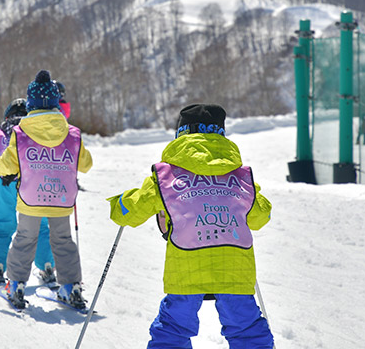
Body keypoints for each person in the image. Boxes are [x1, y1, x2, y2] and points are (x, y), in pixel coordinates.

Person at [107, 104, 274, 348]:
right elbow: (261, 216)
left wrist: (120, 203)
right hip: (235, 270)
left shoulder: (167, 176)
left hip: (186, 269)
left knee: (173, 329)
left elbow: (129, 212)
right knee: (247, 329)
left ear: (181, 134)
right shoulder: (239, 177)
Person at [0, 70, 93, 310]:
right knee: (63, 241)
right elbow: (86, 165)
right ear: (57, 102)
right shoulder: (72, 133)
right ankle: (70, 287)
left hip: (30, 198)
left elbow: (7, 165)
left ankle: (15, 284)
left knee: (25, 239)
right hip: (62, 199)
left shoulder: (21, 132)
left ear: (31, 103)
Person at [0, 98, 56, 285]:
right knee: (40, 226)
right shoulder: (39, 133)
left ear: (7, 116)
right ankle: (47, 265)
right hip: (34, 185)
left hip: (4, 184)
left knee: (0, 224)